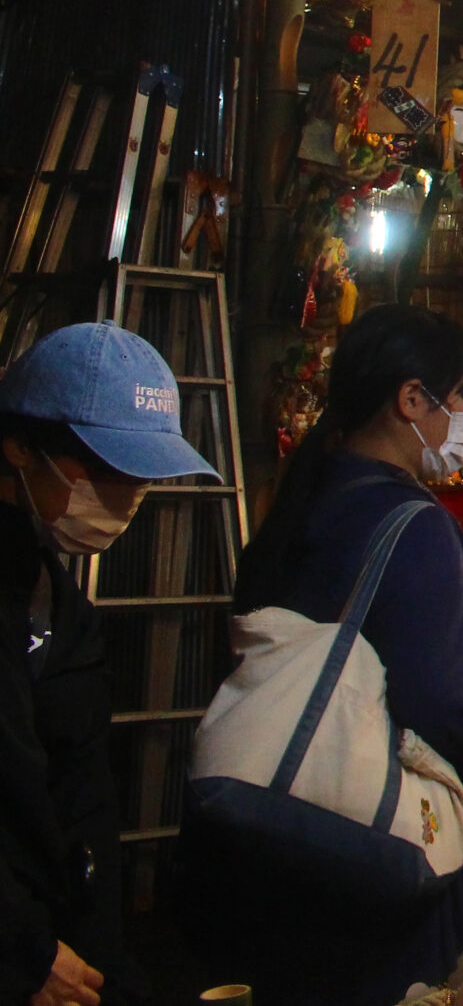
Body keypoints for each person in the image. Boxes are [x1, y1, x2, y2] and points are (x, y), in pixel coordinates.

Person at [210, 306, 463, 1005]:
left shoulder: (303, 497)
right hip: (396, 853)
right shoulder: (416, 527)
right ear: (411, 399)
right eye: (461, 400)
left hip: (302, 833)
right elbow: (447, 701)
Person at [1, 324, 215, 1006]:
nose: (124, 495)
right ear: (20, 445)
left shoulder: (56, 600)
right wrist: (22, 951)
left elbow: (80, 798)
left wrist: (107, 970)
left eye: (139, 477)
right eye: (105, 469)